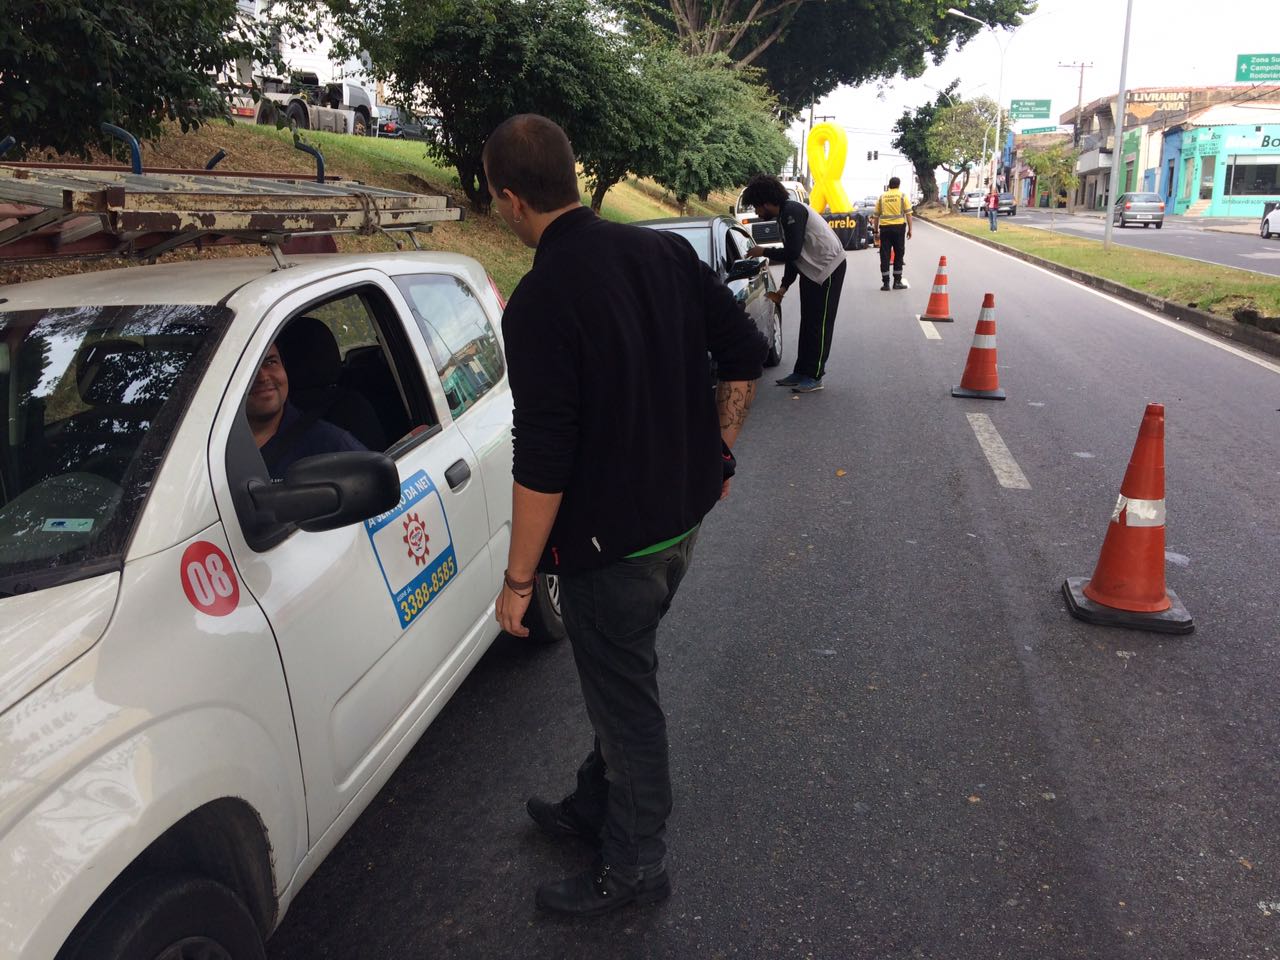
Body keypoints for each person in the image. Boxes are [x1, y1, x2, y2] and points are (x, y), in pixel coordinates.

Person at [483, 114, 766, 918]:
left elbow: (543, 457)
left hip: (612, 552)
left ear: (510, 199)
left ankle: (636, 865)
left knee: (627, 704)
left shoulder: (539, 302)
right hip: (682, 523)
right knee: (618, 678)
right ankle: (593, 803)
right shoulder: (663, 254)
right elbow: (745, 352)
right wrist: (719, 454)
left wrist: (519, 579)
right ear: (572, 176)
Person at [741, 175, 847, 394]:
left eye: (757, 207)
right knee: (808, 322)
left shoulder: (792, 211)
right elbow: (794, 258)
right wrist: (783, 287)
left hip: (828, 268)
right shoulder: (783, 215)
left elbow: (792, 252)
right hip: (812, 269)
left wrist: (763, 251)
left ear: (766, 202)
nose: (757, 213)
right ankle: (801, 371)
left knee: (820, 324)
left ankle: (815, 376)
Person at [245, 342, 365, 478]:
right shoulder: (224, 443)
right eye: (249, 368)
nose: (262, 377)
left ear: (283, 367)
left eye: (271, 362)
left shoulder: (333, 446)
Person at [872, 176, 913, 291]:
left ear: (889, 186)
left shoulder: (882, 197)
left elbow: (876, 216)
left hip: (885, 229)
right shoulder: (902, 196)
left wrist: (876, 231)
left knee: (884, 255)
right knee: (899, 254)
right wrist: (910, 229)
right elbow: (909, 214)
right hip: (899, 229)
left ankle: (885, 284)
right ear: (899, 185)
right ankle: (897, 282)